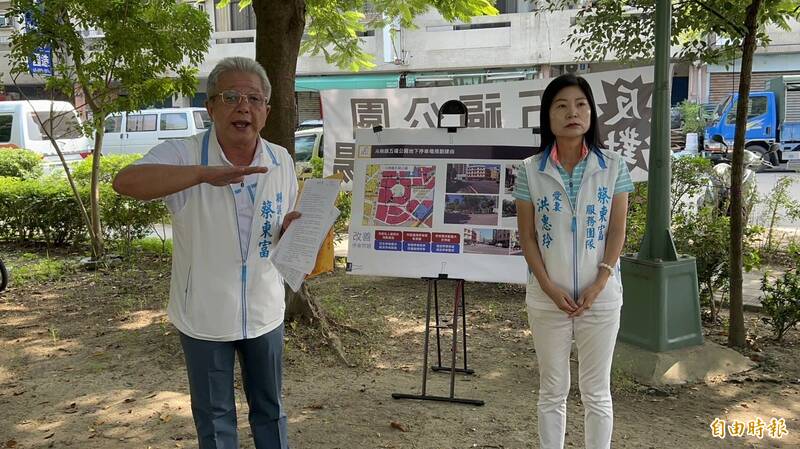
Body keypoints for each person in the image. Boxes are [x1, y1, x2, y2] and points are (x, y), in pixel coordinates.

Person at [113, 56, 299, 449]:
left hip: (265, 310)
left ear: (266, 110)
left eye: (254, 98)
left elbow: (278, 225)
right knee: (215, 418)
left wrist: (292, 230)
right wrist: (201, 175)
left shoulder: (281, 158)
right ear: (211, 106)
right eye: (230, 96)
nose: (243, 106)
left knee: (271, 408)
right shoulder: (184, 154)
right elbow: (125, 182)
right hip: (204, 313)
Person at [513, 73, 634, 449]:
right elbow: (528, 236)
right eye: (561, 105)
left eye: (580, 105)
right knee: (552, 389)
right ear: (547, 116)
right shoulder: (530, 170)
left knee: (597, 391)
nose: (572, 113)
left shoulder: (613, 166)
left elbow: (616, 232)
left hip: (601, 298)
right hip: (547, 299)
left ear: (591, 114)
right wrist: (549, 288)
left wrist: (601, 282)